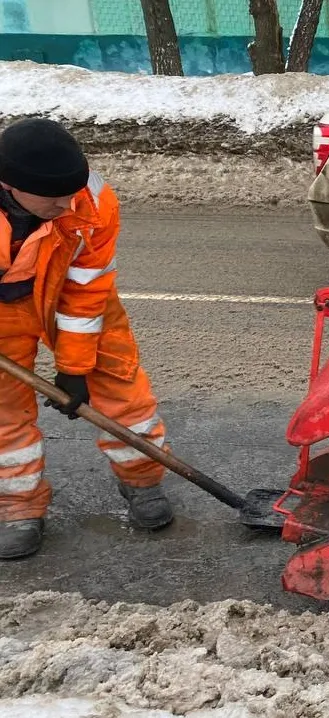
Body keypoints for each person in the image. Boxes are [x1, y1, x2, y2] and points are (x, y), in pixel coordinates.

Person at [0, 118, 173, 560]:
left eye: (70, 193)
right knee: (3, 410)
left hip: (69, 294)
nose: (66, 204)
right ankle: (18, 506)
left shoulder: (92, 202)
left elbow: (86, 289)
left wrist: (74, 369)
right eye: (52, 197)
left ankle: (143, 480)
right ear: (9, 184)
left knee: (119, 385)